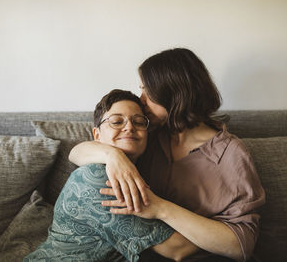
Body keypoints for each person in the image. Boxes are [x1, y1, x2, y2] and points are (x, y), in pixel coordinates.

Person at [69, 48, 266, 261]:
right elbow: (75, 153)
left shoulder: (230, 154)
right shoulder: (148, 134)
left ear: (174, 94)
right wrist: (112, 157)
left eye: (148, 92)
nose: (141, 100)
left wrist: (160, 208)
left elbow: (241, 244)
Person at [24, 89, 198, 262]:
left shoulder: (146, 167)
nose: (129, 127)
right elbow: (177, 248)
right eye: (116, 121)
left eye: (138, 122)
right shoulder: (97, 178)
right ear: (97, 135)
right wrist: (222, 224)